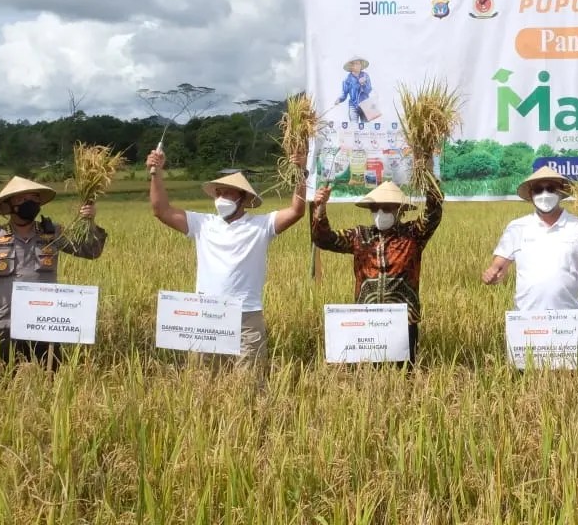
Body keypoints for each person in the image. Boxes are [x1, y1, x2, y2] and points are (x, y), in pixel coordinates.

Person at [147, 149, 307, 368]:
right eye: (218, 193)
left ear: (243, 197)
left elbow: (297, 211)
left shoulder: (261, 225)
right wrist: (156, 172)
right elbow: (161, 210)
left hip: (247, 317)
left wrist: (300, 172)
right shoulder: (202, 224)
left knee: (249, 381)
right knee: (205, 378)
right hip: (208, 314)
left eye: (228, 193)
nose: (221, 198)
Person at [310, 178, 443, 365]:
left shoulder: (413, 234)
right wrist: (320, 208)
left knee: (405, 373)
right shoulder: (360, 236)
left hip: (403, 321)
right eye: (375, 208)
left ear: (400, 210)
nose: (380, 213)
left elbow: (433, 213)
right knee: (369, 372)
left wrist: (428, 176)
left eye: (386, 208)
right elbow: (323, 239)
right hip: (367, 319)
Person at [0, 177, 107, 367]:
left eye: (34, 198)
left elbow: (92, 251)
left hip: (44, 324)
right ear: (8, 204)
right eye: (22, 199)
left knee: (48, 379)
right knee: (0, 379)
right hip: (2, 324)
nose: (29, 202)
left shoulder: (53, 233)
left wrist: (90, 222)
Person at [481, 166, 578, 310]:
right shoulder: (517, 227)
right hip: (526, 316)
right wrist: (492, 273)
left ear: (561, 192)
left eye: (551, 188)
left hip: (570, 317)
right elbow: (499, 265)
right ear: (531, 194)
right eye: (538, 189)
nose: (545, 194)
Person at [335, 56, 373, 123]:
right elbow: (344, 94)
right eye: (356, 64)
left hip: (365, 104)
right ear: (351, 66)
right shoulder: (347, 79)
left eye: (359, 63)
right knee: (353, 125)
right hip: (353, 106)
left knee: (366, 126)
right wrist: (339, 99)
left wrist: (363, 84)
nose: (359, 65)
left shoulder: (365, 75)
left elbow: (369, 90)